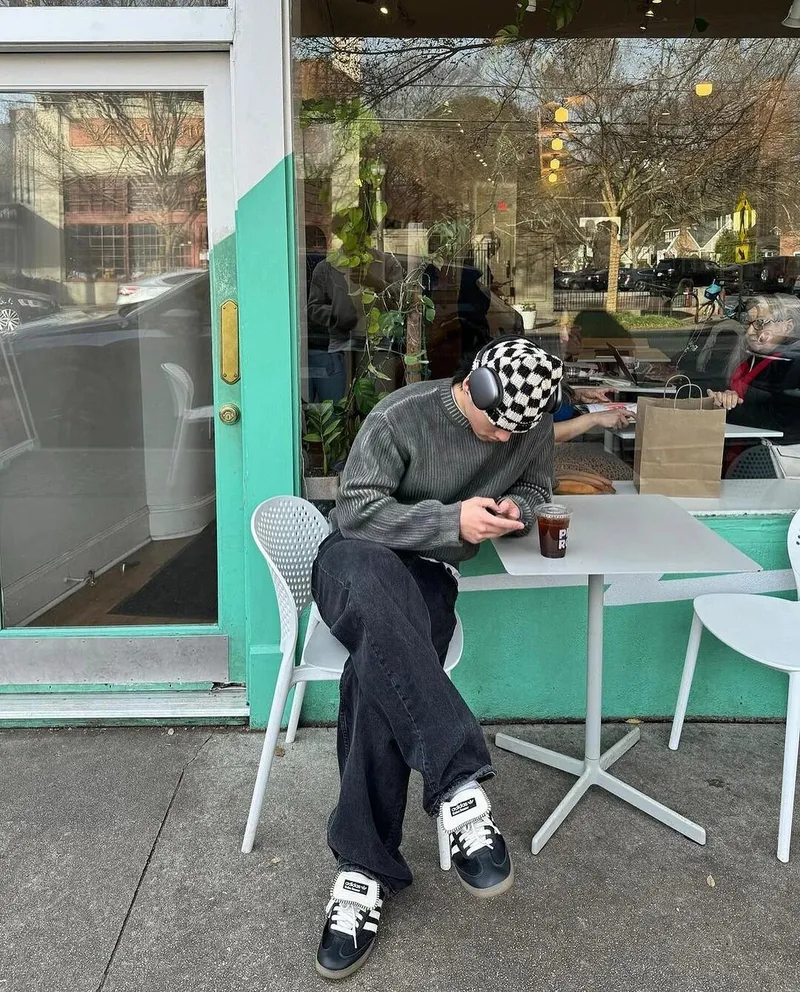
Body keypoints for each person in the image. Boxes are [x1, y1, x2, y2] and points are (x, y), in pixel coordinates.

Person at [311, 337, 562, 980]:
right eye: (496, 425)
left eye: (518, 432)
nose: (505, 440)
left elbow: (538, 486)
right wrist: (450, 521)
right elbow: (355, 512)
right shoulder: (401, 416)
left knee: (376, 673)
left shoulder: (528, 425)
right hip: (354, 559)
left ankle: (362, 873)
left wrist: (518, 507)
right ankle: (458, 785)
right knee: (379, 604)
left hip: (427, 573)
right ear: (472, 385)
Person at [705, 294, 800, 445]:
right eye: (748, 322)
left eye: (760, 323)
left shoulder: (791, 364)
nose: (749, 332)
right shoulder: (753, 358)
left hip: (763, 452)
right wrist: (723, 397)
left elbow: (783, 421)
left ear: (788, 327)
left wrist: (731, 407)